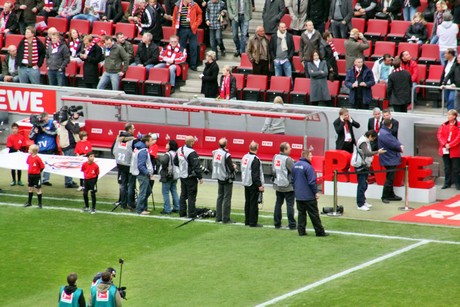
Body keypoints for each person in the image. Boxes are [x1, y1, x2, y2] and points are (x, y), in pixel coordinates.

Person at [292, 149, 328, 236]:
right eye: (311, 155)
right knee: (314, 215)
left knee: (301, 214)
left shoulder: (295, 165)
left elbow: (292, 180)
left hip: (299, 196)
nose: (312, 157)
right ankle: (319, 232)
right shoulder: (308, 167)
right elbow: (312, 182)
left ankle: (301, 231)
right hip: (308, 196)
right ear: (307, 156)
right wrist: (316, 192)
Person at [351, 130, 386, 211]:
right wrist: (378, 152)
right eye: (373, 138)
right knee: (362, 185)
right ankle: (360, 204)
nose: (373, 140)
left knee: (364, 184)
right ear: (370, 135)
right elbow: (367, 153)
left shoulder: (365, 141)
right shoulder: (363, 142)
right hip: (360, 165)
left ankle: (363, 201)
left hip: (364, 165)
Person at [174, 135, 205, 218]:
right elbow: (196, 166)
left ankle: (182, 213)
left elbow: (175, 162)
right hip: (190, 177)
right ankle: (191, 214)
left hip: (182, 176)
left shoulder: (179, 150)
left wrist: (182, 167)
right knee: (192, 196)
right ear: (192, 142)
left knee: (183, 195)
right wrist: (200, 177)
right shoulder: (191, 152)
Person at [112, 123, 138, 210]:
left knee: (123, 185)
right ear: (129, 130)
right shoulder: (133, 140)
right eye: (133, 128)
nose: (134, 130)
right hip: (129, 165)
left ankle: (123, 203)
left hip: (120, 165)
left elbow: (113, 150)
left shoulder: (118, 139)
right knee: (131, 185)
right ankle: (131, 204)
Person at [171, 0, 202, 71]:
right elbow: (174, 18)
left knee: (193, 47)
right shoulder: (178, 5)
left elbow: (200, 14)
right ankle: (182, 64)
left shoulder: (194, 4)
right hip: (182, 29)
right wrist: (174, 30)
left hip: (192, 29)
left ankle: (193, 65)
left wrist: (196, 24)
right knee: (182, 48)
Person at [378, 118, 404, 204]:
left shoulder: (383, 131)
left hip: (388, 157)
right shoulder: (385, 134)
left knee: (391, 177)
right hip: (389, 158)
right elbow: (393, 143)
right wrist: (400, 147)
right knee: (389, 178)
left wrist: (399, 145)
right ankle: (385, 196)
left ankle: (390, 194)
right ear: (390, 125)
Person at [28, 112, 57, 186]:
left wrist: (44, 130)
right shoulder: (36, 126)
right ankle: (37, 179)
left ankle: (45, 180)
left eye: (45, 118)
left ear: (47, 117)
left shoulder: (52, 123)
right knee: (38, 165)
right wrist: (35, 132)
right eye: (43, 118)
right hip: (40, 149)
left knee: (48, 165)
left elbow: (55, 133)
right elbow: (31, 137)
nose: (44, 120)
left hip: (50, 147)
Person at [272, 142, 296, 229]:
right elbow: (294, 170)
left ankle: (277, 223)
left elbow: (273, 170)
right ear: (285, 150)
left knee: (278, 204)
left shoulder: (275, 157)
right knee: (290, 205)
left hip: (278, 184)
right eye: (289, 148)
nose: (290, 149)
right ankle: (292, 224)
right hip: (288, 186)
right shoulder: (288, 160)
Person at [212, 137, 236, 223]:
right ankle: (226, 218)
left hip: (219, 177)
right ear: (226, 144)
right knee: (227, 198)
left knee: (220, 197)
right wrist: (234, 166)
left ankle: (218, 217)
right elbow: (231, 169)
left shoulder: (215, 152)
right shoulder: (226, 155)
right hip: (226, 177)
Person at [241, 141, 264, 227]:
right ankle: (253, 222)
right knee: (253, 204)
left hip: (246, 182)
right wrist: (259, 185)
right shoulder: (255, 159)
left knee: (247, 202)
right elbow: (255, 175)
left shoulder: (244, 157)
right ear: (257, 148)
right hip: (252, 183)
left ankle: (247, 220)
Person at [131, 134, 155, 215]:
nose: (152, 142)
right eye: (151, 140)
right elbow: (141, 165)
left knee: (147, 191)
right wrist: (148, 173)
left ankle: (143, 207)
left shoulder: (140, 148)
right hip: (143, 174)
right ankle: (140, 209)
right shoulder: (143, 151)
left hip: (142, 174)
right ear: (147, 142)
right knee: (143, 192)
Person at [437, 109, 460, 190]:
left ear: (454, 116)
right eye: (448, 115)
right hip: (445, 148)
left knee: (456, 167)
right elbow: (439, 135)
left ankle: (458, 183)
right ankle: (447, 183)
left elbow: (459, 137)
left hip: (455, 149)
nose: (448, 116)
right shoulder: (443, 125)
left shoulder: (458, 125)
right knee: (447, 167)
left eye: (450, 115)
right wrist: (444, 144)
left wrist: (450, 145)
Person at [58, 106, 80, 188]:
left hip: (66, 145)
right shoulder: (66, 123)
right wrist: (76, 121)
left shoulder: (64, 122)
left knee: (69, 163)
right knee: (69, 164)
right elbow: (76, 130)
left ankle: (69, 180)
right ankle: (68, 182)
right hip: (68, 145)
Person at [159, 140, 180, 214]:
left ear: (170, 146)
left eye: (167, 144)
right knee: (174, 191)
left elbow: (164, 162)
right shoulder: (176, 154)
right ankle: (177, 207)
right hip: (175, 175)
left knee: (165, 192)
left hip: (167, 175)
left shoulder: (168, 154)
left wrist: (164, 169)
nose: (166, 145)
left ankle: (167, 209)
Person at [24, 144, 45, 208]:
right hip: (30, 175)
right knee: (30, 188)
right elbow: (28, 162)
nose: (28, 150)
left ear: (33, 151)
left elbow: (42, 166)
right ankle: (29, 202)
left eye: (29, 149)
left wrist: (38, 172)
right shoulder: (29, 157)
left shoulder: (38, 158)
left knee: (38, 188)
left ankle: (40, 204)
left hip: (36, 176)